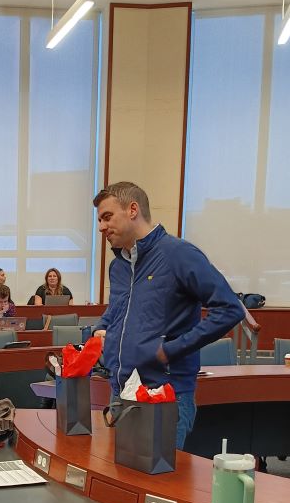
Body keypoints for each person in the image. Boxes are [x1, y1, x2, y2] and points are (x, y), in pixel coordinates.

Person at [92, 181, 244, 449]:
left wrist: (171, 349)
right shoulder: (119, 266)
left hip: (164, 395)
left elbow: (230, 309)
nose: (101, 227)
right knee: (120, 485)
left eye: (107, 217)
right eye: (100, 220)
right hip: (121, 394)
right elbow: (117, 312)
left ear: (133, 210)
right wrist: (100, 329)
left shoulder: (179, 255)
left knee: (156, 487)